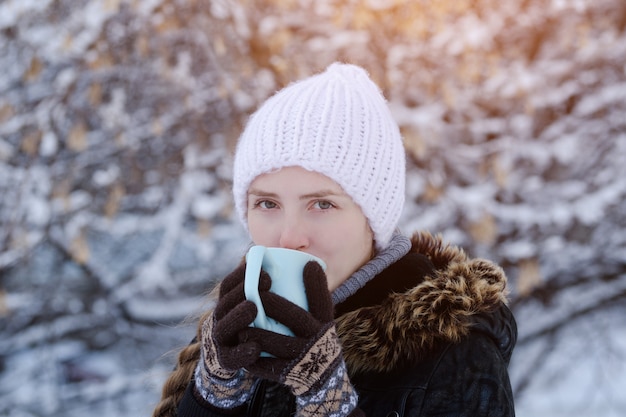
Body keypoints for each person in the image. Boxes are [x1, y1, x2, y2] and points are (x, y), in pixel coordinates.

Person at [152, 63, 517, 417]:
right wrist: (212, 401)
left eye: (322, 204)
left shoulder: (455, 355)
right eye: (267, 203)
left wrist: (327, 403)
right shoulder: (231, 334)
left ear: (372, 219)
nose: (289, 236)